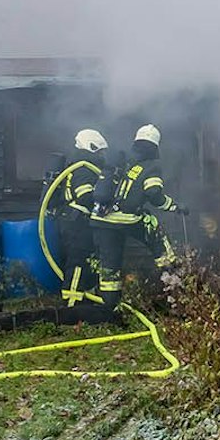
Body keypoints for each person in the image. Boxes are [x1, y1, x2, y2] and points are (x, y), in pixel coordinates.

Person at [89, 123, 183, 312]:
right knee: (153, 228)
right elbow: (154, 194)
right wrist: (175, 206)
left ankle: (109, 308)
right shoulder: (151, 166)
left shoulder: (124, 161)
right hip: (125, 219)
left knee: (109, 265)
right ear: (156, 146)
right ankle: (174, 283)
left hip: (101, 219)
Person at [45, 129, 108, 307]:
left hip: (74, 221)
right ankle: (72, 304)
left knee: (86, 261)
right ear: (92, 147)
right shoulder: (84, 168)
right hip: (76, 222)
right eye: (101, 152)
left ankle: (86, 302)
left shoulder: (81, 165)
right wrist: (105, 200)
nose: (103, 155)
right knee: (78, 261)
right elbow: (85, 196)